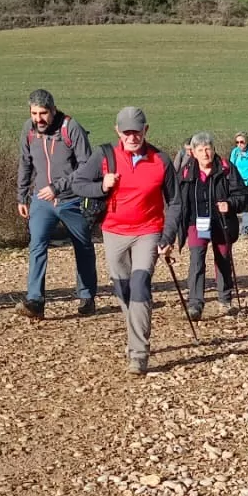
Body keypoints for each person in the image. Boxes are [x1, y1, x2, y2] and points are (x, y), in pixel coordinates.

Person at [72, 107, 181, 375]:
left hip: (149, 230)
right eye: (126, 132)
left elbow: (176, 202)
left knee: (140, 283)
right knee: (123, 289)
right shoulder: (104, 155)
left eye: (137, 131)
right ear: (117, 131)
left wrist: (168, 236)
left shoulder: (161, 160)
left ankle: (139, 353)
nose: (132, 137)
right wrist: (101, 186)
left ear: (146, 130)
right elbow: (78, 184)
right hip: (114, 231)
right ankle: (136, 333)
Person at [17, 89, 98, 319]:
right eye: (34, 113)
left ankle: (86, 296)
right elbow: (24, 163)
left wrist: (58, 187)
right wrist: (21, 196)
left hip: (72, 199)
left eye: (43, 113)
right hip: (41, 200)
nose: (38, 119)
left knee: (82, 245)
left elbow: (87, 166)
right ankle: (35, 300)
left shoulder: (71, 128)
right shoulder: (28, 130)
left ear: (53, 110)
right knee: (37, 245)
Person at [176, 132, 248, 320]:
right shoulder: (186, 172)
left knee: (223, 259)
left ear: (213, 149)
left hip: (222, 222)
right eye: (200, 150)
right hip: (197, 222)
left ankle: (225, 299)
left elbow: (242, 195)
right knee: (196, 260)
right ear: (193, 152)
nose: (205, 154)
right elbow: (177, 202)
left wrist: (230, 204)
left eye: (208, 149)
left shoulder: (227, 169)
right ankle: (195, 304)